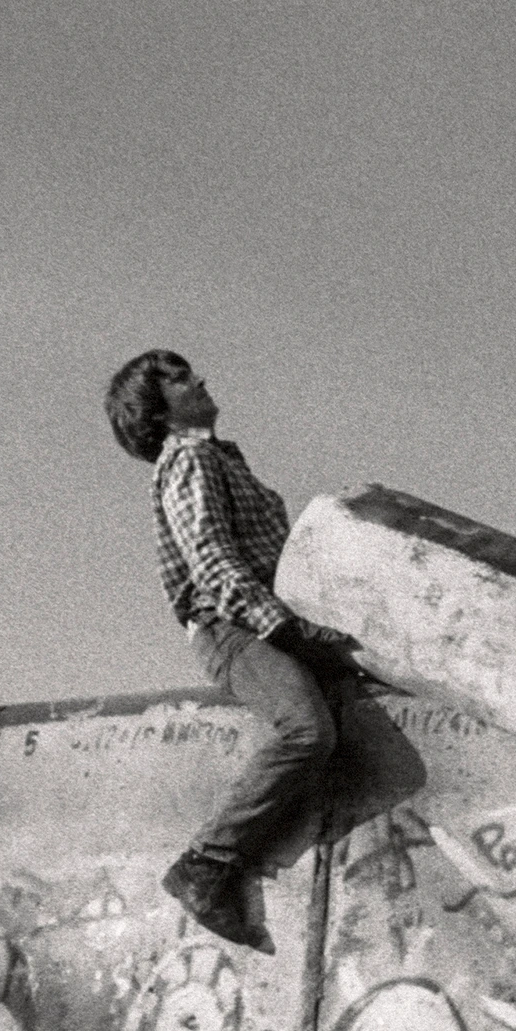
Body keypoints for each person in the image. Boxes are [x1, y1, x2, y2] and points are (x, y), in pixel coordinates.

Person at [102, 350, 358, 951]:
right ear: (159, 412)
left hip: (256, 620)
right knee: (305, 730)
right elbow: (213, 560)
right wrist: (284, 630)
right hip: (231, 628)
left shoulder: (217, 457)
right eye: (182, 380)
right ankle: (205, 864)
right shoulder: (189, 457)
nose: (201, 381)